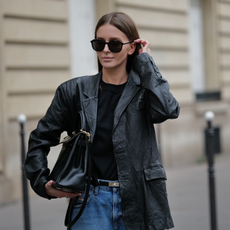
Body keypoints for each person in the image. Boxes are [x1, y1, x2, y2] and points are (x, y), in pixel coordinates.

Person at [25, 12, 180, 230]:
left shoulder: (144, 92)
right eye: (99, 43)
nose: (105, 50)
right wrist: (42, 183)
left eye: (115, 44)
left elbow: (168, 110)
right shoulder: (73, 91)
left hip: (139, 199)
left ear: (131, 47)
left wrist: (145, 63)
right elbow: (39, 139)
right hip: (89, 201)